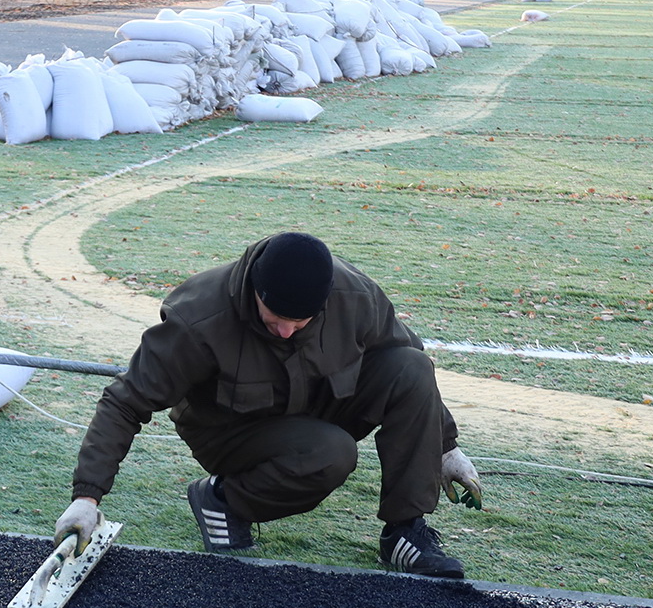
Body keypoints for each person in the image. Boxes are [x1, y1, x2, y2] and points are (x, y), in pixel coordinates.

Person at [56, 232, 482, 579]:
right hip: (232, 431)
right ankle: (222, 499)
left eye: (300, 322)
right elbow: (124, 401)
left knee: (409, 364)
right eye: (274, 317)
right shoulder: (199, 318)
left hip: (318, 404)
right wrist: (87, 497)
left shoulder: (355, 295)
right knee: (331, 453)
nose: (284, 331)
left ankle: (404, 532)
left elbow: (408, 364)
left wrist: (444, 446)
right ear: (256, 289)